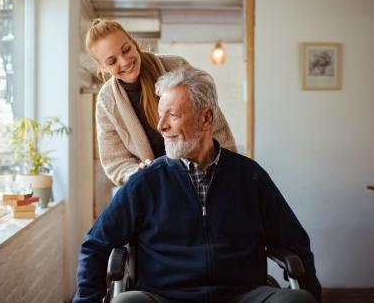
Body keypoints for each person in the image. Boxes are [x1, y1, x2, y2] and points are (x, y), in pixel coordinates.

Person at [74, 66, 322, 303]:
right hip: (164, 296)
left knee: (297, 300)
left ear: (206, 118)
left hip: (242, 294)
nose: (161, 126)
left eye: (172, 115)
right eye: (160, 115)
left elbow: (295, 242)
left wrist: (312, 294)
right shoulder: (146, 182)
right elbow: (95, 245)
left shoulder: (250, 177)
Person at [86, 19, 237, 186]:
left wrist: (228, 170)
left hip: (203, 176)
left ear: (133, 42)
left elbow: (214, 124)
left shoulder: (177, 66)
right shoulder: (106, 102)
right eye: (112, 61)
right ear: (102, 67)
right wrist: (136, 172)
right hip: (156, 188)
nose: (124, 61)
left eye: (126, 49)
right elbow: (115, 161)